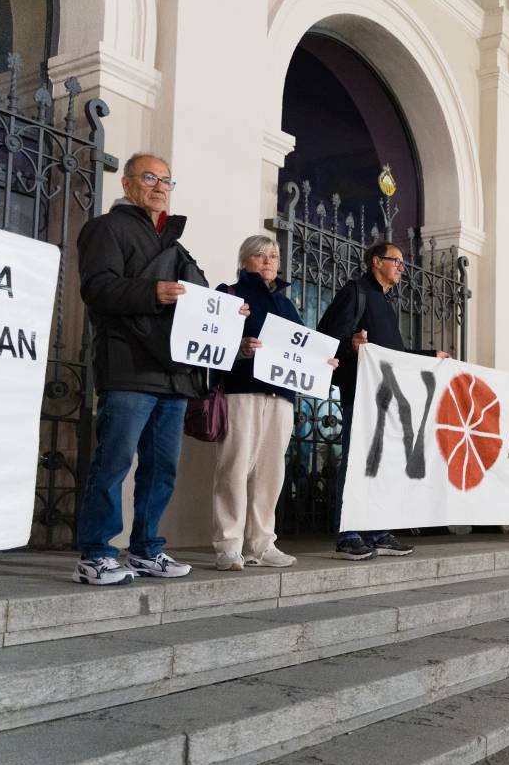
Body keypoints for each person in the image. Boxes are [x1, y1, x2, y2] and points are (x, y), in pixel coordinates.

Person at [74, 153, 247, 585]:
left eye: (166, 181)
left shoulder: (175, 244)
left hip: (175, 373)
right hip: (129, 366)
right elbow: (97, 289)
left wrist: (229, 313)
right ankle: (95, 552)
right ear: (128, 185)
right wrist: (154, 292)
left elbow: (201, 294)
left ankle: (146, 548)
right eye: (149, 177)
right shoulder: (106, 229)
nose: (158, 186)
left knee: (161, 467)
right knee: (113, 462)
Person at [211, 235, 339, 570]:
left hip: (280, 396)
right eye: (260, 255)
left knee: (270, 471)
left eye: (274, 256)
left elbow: (301, 349)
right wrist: (240, 348)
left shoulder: (287, 304)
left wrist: (321, 363)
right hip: (242, 390)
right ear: (245, 260)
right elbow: (212, 338)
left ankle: (262, 543)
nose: (269, 261)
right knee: (235, 466)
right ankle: (228, 545)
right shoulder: (229, 293)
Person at [319, 242, 448, 560]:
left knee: (380, 465)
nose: (402, 267)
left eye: (403, 263)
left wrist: (431, 357)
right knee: (355, 464)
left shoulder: (385, 303)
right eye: (397, 261)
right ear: (376, 261)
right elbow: (326, 338)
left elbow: (393, 356)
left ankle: (376, 531)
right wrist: (350, 343)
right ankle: (348, 534)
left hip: (385, 398)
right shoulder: (356, 292)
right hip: (359, 394)